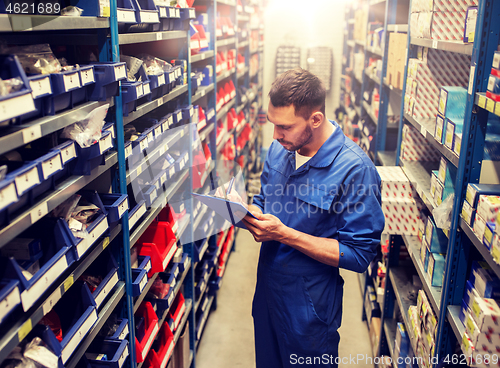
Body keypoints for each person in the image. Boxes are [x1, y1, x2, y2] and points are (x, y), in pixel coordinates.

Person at [242, 68, 385, 368]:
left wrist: (283, 234)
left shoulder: (355, 169)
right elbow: (263, 200)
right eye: (272, 124)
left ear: (315, 119)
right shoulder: (279, 149)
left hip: (308, 311)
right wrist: (249, 213)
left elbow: (359, 255)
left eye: (285, 127)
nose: (275, 135)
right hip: (268, 296)